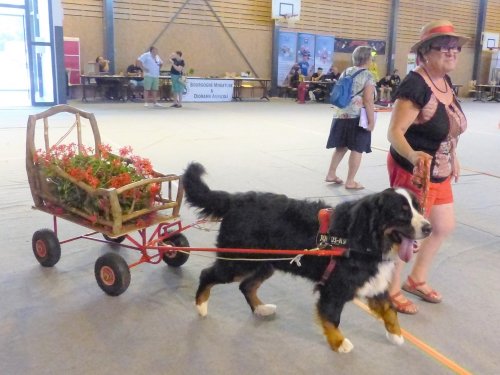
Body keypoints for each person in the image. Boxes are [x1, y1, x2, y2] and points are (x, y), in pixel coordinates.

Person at [386, 20, 469, 315]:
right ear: (425, 52)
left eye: (455, 47)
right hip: (414, 169)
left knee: (443, 225)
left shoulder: (445, 82)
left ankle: (416, 279)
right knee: (408, 235)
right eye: (444, 47)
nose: (452, 52)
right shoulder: (416, 85)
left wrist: (453, 155)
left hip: (440, 166)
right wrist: (413, 157)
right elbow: (394, 132)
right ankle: (391, 290)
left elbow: (447, 125)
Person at [325, 46, 376, 189]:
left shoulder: (346, 72)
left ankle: (331, 173)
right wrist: (371, 121)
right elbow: (368, 100)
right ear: (367, 59)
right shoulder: (368, 75)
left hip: (340, 114)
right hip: (357, 117)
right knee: (357, 148)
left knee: (341, 146)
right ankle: (350, 181)